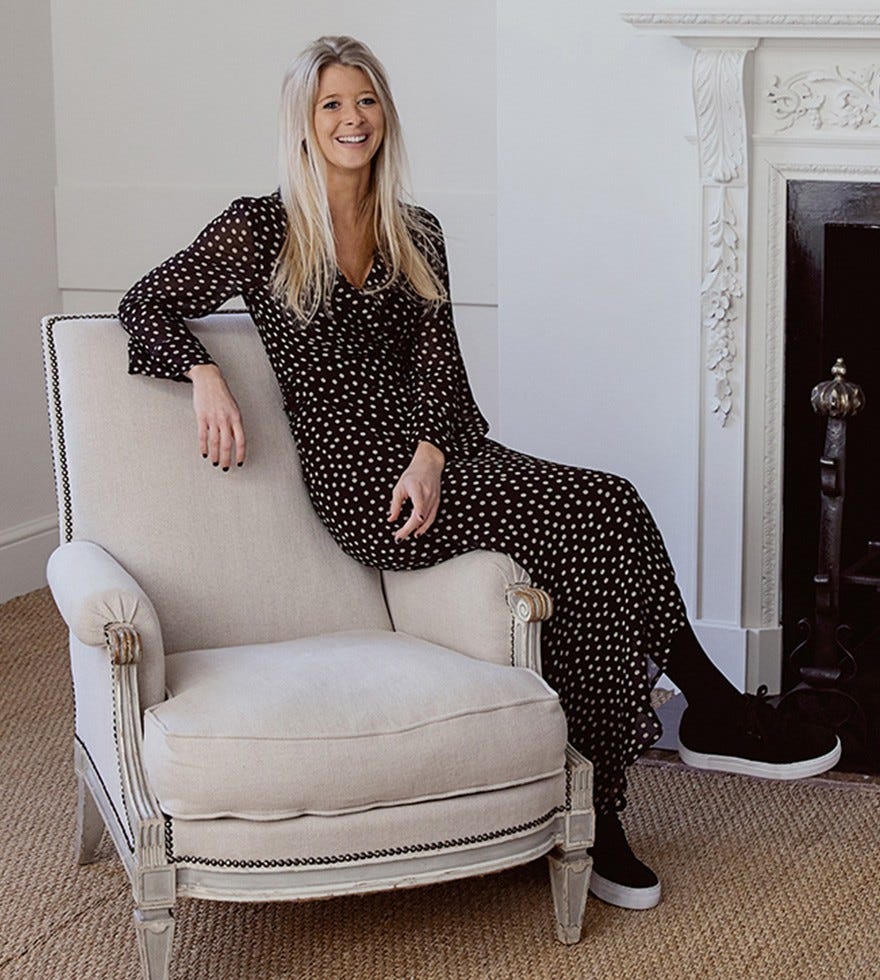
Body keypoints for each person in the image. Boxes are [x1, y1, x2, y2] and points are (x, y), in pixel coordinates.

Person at [118, 35, 840, 912]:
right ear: (304, 126)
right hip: (357, 486)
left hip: (441, 463)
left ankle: (606, 803)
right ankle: (697, 726)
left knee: (596, 529)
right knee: (600, 512)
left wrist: (431, 454)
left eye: (367, 101)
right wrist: (202, 374)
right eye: (333, 106)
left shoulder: (416, 232)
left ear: (386, 114)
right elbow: (143, 301)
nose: (354, 120)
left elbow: (443, 380)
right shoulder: (260, 227)